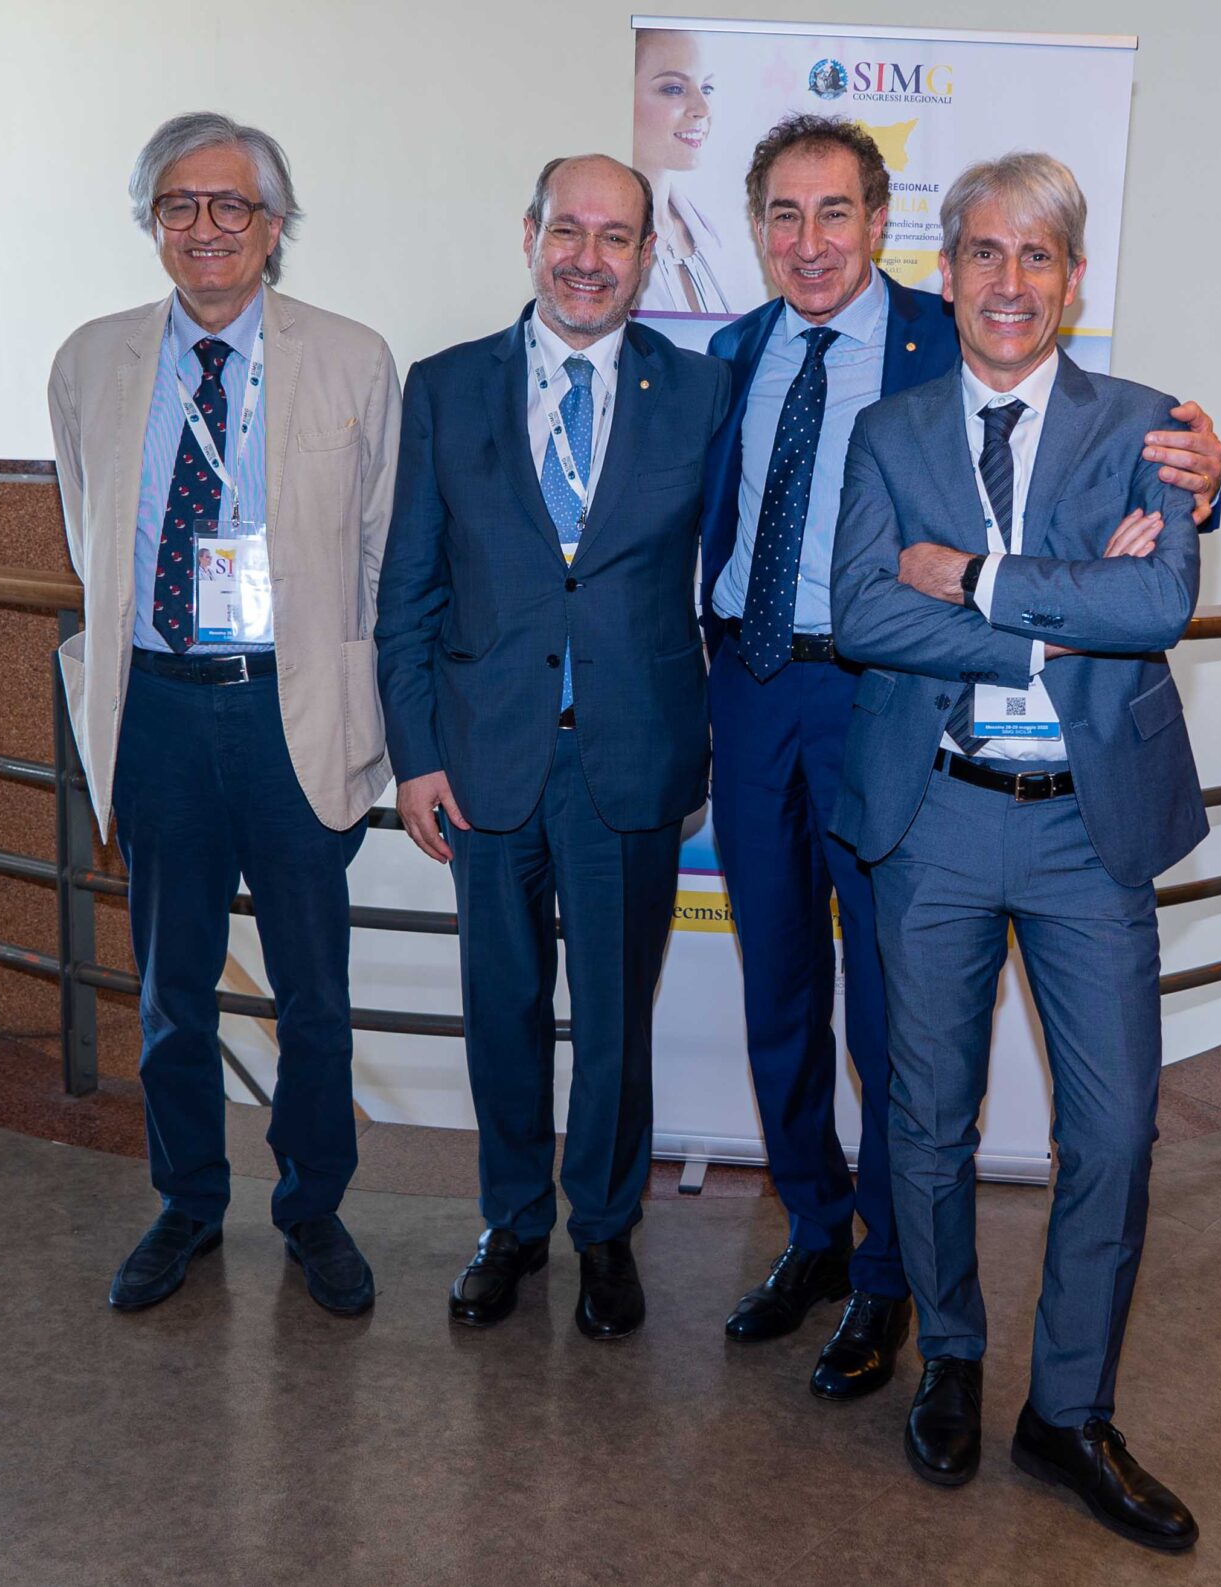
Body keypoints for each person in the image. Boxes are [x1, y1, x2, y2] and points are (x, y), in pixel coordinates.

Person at [701, 117, 1221, 1404]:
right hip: (757, 689)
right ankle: (817, 1233)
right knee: (778, 987)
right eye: (783, 215)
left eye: (835, 212)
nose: (809, 241)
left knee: (901, 1039)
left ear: (885, 229)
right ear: (757, 229)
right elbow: (849, 590)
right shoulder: (727, 354)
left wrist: (1200, 488)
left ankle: (891, 1282)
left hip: (896, 719)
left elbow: (1139, 546)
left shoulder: (951, 341)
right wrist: (1063, 616)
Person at [830, 151, 1213, 1553]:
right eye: (983, 254)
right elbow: (863, 614)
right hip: (932, 813)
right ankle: (952, 1356)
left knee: (1110, 1129)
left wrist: (975, 578)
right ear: (945, 275)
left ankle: (1070, 1411)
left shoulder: (1149, 426)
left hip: (1084, 830)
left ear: (1073, 278)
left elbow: (1156, 602)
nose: (1009, 282)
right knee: (926, 1118)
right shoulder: (888, 432)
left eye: (1036, 256)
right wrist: (1059, 621)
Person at [45, 112, 398, 1318]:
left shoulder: (353, 359)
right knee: (170, 994)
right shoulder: (89, 361)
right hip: (155, 709)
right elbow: (88, 530)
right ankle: (188, 1201)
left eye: (230, 204)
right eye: (179, 206)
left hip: (290, 711)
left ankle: (313, 1208)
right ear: (152, 223)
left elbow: (379, 549)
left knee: (312, 995)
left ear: (274, 225)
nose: (206, 228)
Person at [376, 154, 730, 1341]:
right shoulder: (445, 386)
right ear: (528, 234)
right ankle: (513, 1223)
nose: (588, 257)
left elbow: (747, 567)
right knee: (504, 1005)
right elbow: (408, 589)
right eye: (567, 230)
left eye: (615, 236)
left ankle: (606, 1229)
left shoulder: (700, 392)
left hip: (633, 760)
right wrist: (415, 754)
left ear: (647, 255)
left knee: (617, 1019)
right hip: (485, 759)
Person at [633, 29, 753, 315]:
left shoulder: (728, 237)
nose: (703, 108)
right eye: (674, 89)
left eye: (707, 88)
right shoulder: (600, 243)